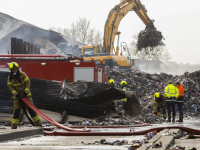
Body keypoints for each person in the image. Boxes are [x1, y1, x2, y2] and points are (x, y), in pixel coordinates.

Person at [7, 62, 42, 129]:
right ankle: (13, 127)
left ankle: (39, 124)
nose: (15, 70)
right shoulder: (10, 78)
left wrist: (25, 93)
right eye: (13, 69)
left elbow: (28, 83)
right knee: (16, 112)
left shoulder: (23, 75)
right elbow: (10, 88)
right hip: (17, 98)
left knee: (32, 111)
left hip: (26, 97)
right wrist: (16, 94)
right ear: (11, 70)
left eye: (16, 69)